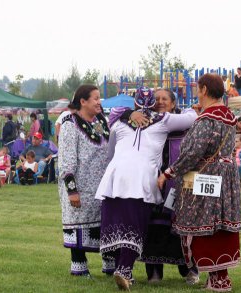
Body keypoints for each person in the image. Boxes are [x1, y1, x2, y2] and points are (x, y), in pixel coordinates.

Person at [95, 87, 197, 290]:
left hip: (115, 177)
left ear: (135, 103)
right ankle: (124, 270)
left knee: (117, 224)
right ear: (152, 103)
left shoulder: (119, 123)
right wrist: (186, 109)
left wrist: (127, 113)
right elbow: (193, 117)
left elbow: (110, 147)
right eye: (156, 99)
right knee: (135, 225)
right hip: (141, 178)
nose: (160, 102)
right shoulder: (163, 119)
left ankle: (123, 269)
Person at [158, 73, 241, 292]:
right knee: (219, 222)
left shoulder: (207, 119)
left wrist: (168, 172)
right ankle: (218, 277)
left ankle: (217, 279)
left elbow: (193, 152)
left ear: (204, 90)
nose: (197, 92)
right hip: (226, 176)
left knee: (204, 223)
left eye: (198, 88)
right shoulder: (229, 116)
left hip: (206, 175)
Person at [58, 84, 112, 277]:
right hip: (80, 187)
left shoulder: (100, 122)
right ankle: (79, 267)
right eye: (95, 98)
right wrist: (72, 191)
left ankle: (110, 265)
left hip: (102, 187)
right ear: (83, 101)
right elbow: (66, 161)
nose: (99, 102)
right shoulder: (70, 124)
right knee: (79, 224)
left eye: (99, 98)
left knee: (105, 225)